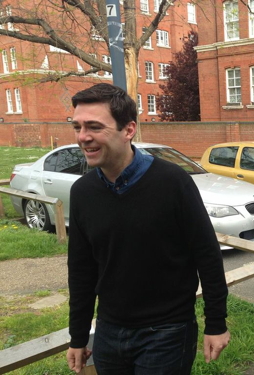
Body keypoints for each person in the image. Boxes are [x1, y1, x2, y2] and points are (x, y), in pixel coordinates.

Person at [66, 83, 230, 374]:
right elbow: (81, 269)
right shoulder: (82, 192)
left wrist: (216, 323)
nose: (83, 137)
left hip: (167, 331)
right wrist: (78, 336)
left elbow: (207, 255)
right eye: (77, 127)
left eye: (93, 127)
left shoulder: (173, 182)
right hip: (108, 331)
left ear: (128, 130)